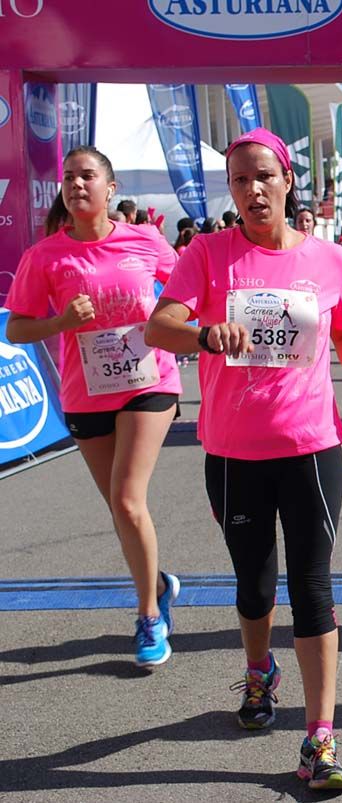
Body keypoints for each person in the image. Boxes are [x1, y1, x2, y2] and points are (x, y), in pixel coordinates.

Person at [145, 127, 342, 792]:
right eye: (239, 181)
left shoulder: (329, 259)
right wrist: (202, 331)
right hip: (232, 452)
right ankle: (260, 671)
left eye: (264, 177)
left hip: (312, 446)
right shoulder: (207, 253)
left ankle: (319, 737)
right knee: (254, 588)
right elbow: (157, 325)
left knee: (313, 588)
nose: (253, 190)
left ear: (287, 182)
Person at [6, 146, 182, 668]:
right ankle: (161, 582)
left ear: (111, 186)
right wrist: (60, 323)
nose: (77, 184)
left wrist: (182, 324)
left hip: (149, 380)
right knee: (120, 508)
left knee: (128, 500)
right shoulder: (45, 256)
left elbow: (187, 289)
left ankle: (149, 615)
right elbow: (16, 328)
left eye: (88, 176)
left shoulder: (145, 240)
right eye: (69, 177)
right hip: (86, 391)